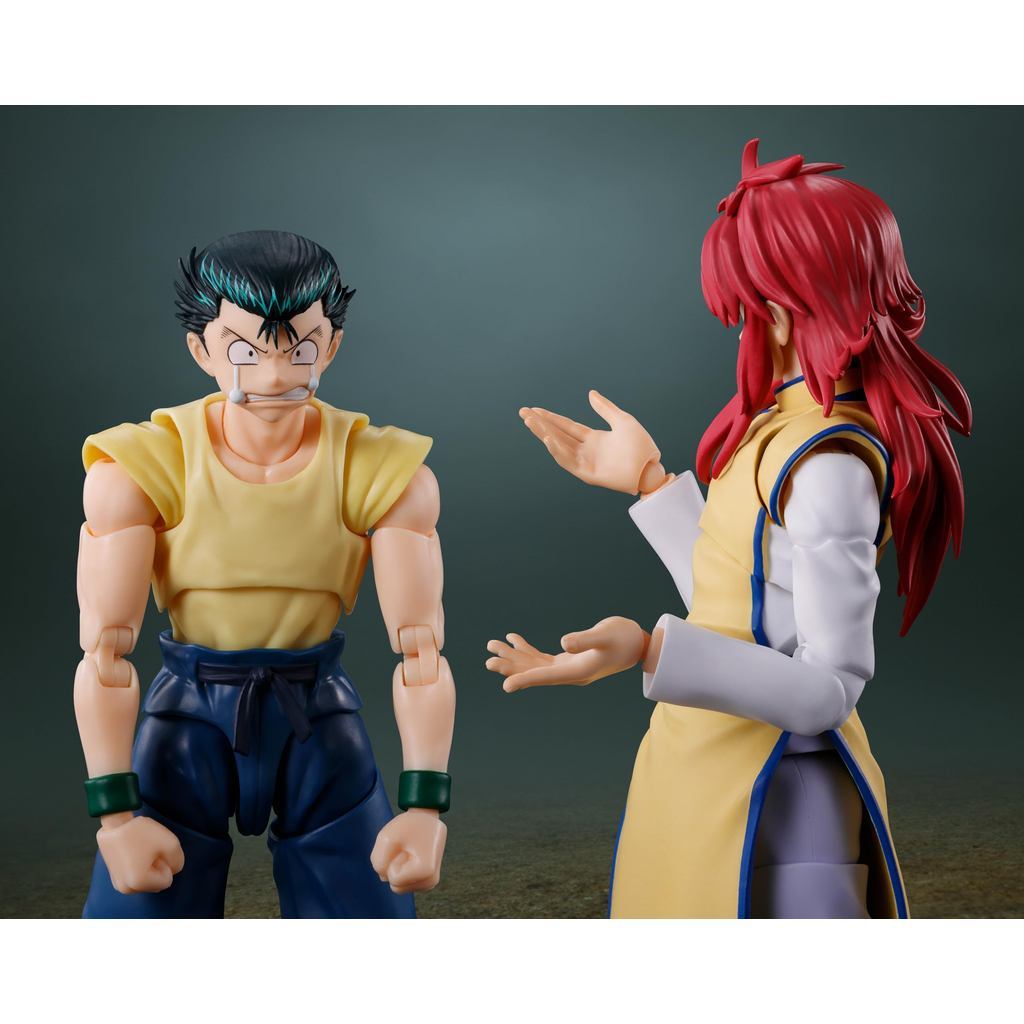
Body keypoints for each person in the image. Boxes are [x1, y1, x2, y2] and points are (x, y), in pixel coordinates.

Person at [485, 140, 971, 918]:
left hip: (778, 793)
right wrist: (649, 483)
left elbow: (829, 689)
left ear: (788, 302)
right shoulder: (783, 425)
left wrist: (649, 650)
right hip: (706, 764)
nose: (746, 320)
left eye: (752, 300)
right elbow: (737, 599)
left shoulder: (829, 462)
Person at [76, 230, 454, 918]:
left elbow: (422, 653)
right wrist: (116, 819)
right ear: (202, 350)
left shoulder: (379, 471)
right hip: (188, 718)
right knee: (136, 926)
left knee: (367, 924)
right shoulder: (143, 468)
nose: (276, 377)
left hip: (317, 716)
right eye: (246, 352)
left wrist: (426, 807)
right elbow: (104, 655)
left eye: (300, 350)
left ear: (331, 346)